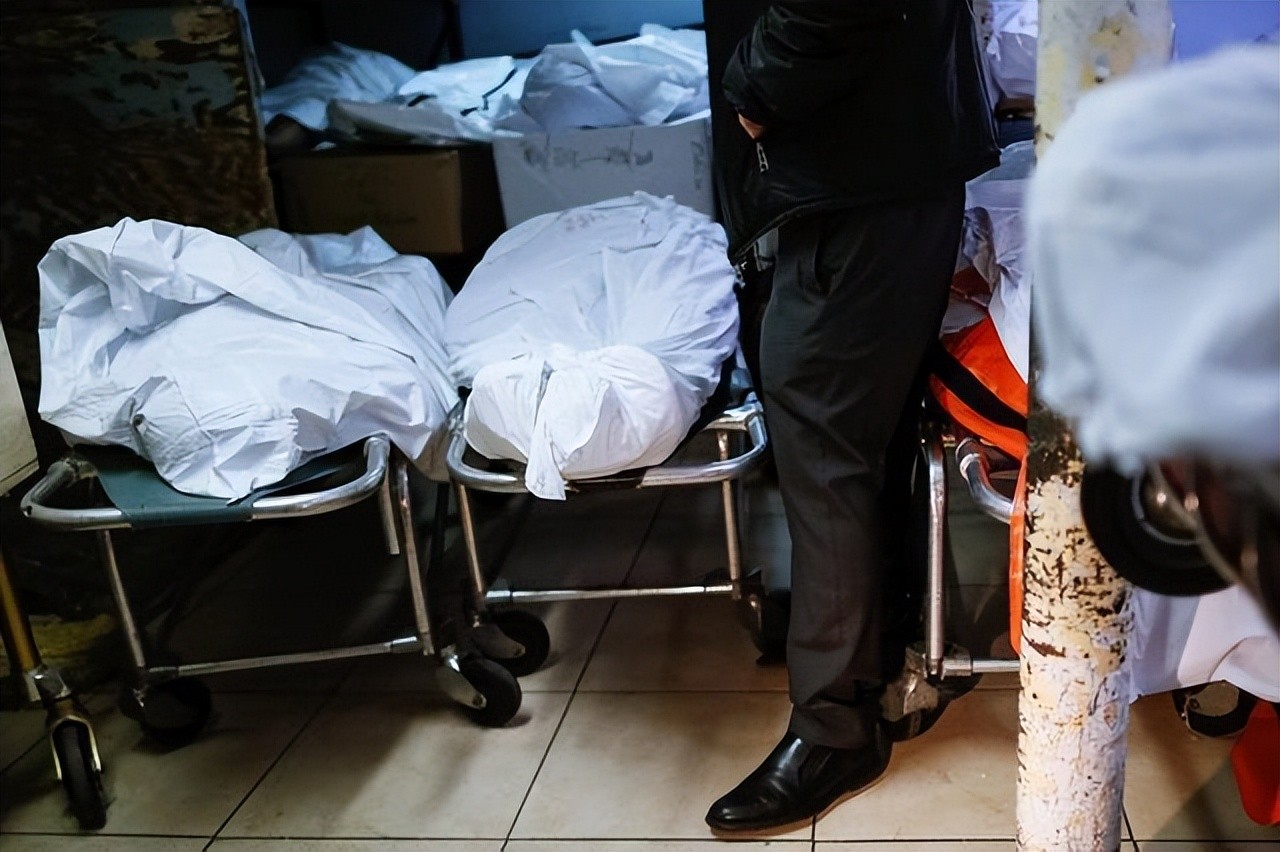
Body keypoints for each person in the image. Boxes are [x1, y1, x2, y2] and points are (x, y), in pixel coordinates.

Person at [704, 0, 998, 831]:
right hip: (879, 161)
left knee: (825, 440)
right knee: (867, 434)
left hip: (853, 168)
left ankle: (835, 728)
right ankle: (885, 655)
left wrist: (755, 83)